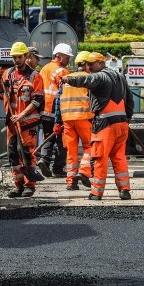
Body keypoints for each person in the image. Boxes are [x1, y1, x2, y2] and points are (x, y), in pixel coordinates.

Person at [61, 51, 134, 201]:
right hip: (121, 123)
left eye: (91, 64)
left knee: (99, 157)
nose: (88, 67)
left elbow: (87, 80)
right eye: (87, 64)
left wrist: (68, 79)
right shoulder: (119, 77)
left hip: (105, 124)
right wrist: (127, 119)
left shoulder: (100, 76)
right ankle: (124, 190)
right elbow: (130, 99)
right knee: (119, 157)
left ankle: (96, 192)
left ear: (101, 63)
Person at [0, 41, 45, 197]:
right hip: (11, 122)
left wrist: (22, 115)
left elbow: (37, 101)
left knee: (27, 154)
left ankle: (30, 185)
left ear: (26, 56)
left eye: (19, 57)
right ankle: (18, 186)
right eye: (14, 57)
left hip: (27, 122)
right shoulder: (7, 74)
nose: (17, 60)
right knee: (13, 154)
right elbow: (0, 93)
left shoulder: (35, 77)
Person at [54, 51, 95, 191]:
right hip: (84, 118)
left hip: (67, 120)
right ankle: (84, 171)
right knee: (91, 146)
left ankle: (71, 182)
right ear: (86, 65)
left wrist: (57, 121)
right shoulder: (89, 78)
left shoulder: (66, 78)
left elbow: (58, 100)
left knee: (71, 151)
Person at [36, 43, 75, 178]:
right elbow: (68, 90)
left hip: (44, 110)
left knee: (48, 136)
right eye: (66, 57)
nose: (68, 60)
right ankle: (58, 168)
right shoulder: (62, 72)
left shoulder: (45, 68)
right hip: (58, 110)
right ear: (58, 56)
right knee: (62, 139)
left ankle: (44, 160)